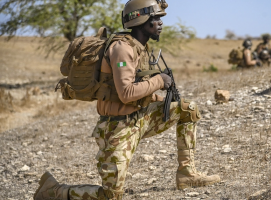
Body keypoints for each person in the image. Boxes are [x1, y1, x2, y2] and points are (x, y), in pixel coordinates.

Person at [33, 0, 220, 200]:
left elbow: (139, 91)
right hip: (117, 128)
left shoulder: (141, 47)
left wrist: (160, 98)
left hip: (140, 118)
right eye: (155, 18)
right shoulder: (121, 49)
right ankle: (55, 191)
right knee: (111, 196)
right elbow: (126, 93)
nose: (160, 23)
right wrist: (159, 80)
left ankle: (187, 174)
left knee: (188, 109)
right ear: (141, 19)